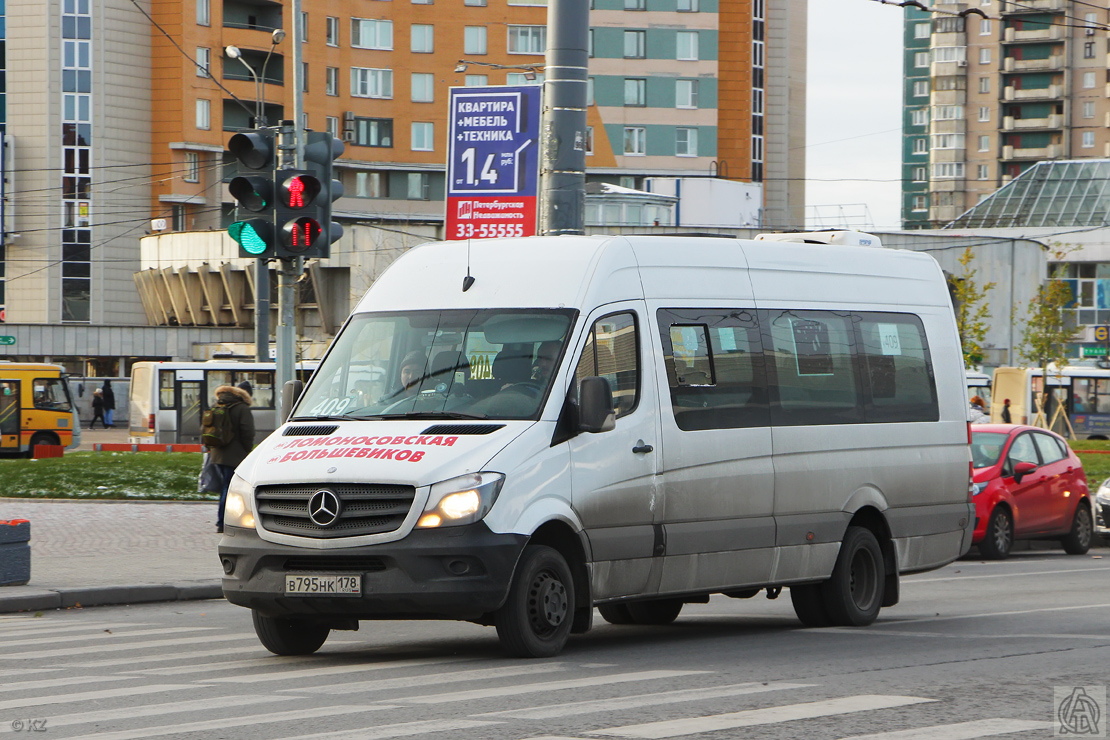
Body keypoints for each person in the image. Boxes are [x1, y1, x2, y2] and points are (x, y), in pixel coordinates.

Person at [208, 384, 256, 533]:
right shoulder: (242, 408)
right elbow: (247, 432)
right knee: (229, 489)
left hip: (217, 454)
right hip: (235, 455)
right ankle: (223, 522)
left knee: (225, 487)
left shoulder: (217, 405)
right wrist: (247, 451)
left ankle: (221, 521)